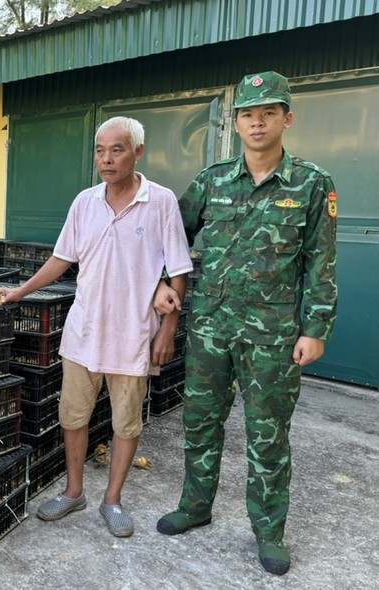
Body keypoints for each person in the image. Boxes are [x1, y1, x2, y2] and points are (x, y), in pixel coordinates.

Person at [153, 71, 338, 575]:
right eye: (249, 114)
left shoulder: (312, 184)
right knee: (200, 423)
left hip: (274, 339)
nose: (258, 122)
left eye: (268, 113)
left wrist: (315, 329)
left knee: (268, 435)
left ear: (287, 119)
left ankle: (269, 531)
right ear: (236, 123)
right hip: (211, 328)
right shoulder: (211, 181)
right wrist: (162, 282)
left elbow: (321, 262)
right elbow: (170, 237)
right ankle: (195, 506)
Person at [0, 117, 192, 537]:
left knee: (126, 424)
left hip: (135, 335)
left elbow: (178, 269)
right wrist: (20, 291)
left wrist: (167, 329)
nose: (106, 159)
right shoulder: (84, 202)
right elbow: (61, 259)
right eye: (100, 150)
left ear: (138, 152)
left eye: (116, 150)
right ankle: (74, 491)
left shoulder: (160, 202)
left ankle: (113, 500)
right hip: (83, 334)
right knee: (73, 417)